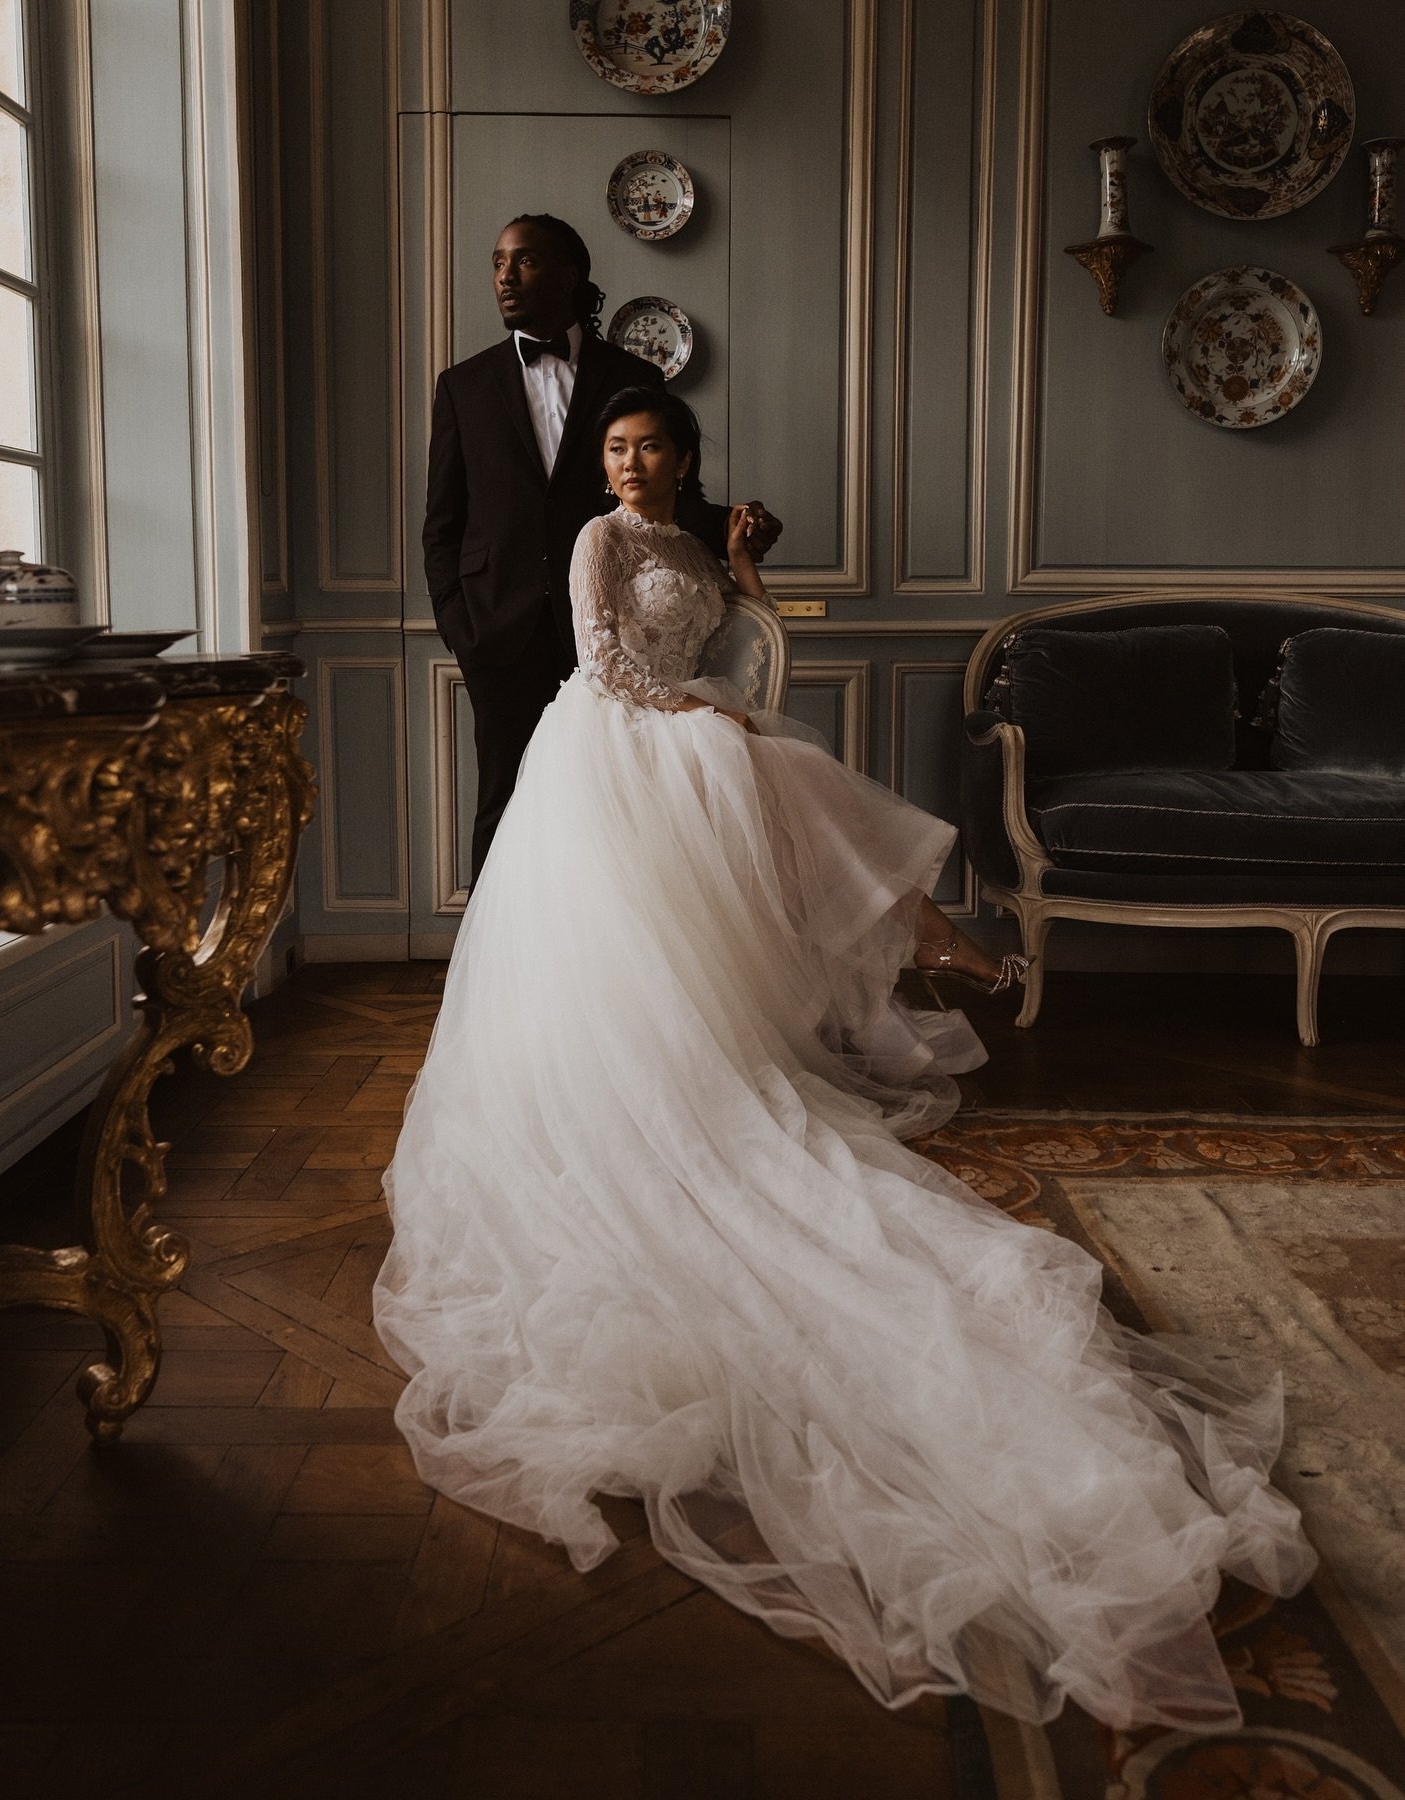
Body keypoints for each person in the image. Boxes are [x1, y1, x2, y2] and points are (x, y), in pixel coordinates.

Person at [375, 389, 1314, 1733]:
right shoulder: (598, 538)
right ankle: (959, 955)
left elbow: (740, 635)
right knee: (787, 785)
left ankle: (951, 953)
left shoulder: (693, 544)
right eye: (616, 449)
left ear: (686, 459)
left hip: (697, 738)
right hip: (616, 756)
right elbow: (602, 665)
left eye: (650, 449)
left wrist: (745, 583)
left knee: (795, 791)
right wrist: (718, 727)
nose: (630, 464)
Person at [422, 212, 782, 881]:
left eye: (525, 260)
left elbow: (673, 499)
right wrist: (458, 623)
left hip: (616, 625)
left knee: (613, 809)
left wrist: (740, 525)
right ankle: (499, 975)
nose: (505, 275)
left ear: (571, 272)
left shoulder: (632, 375)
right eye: (498, 261)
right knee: (504, 800)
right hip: (498, 629)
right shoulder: (463, 386)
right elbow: (442, 521)